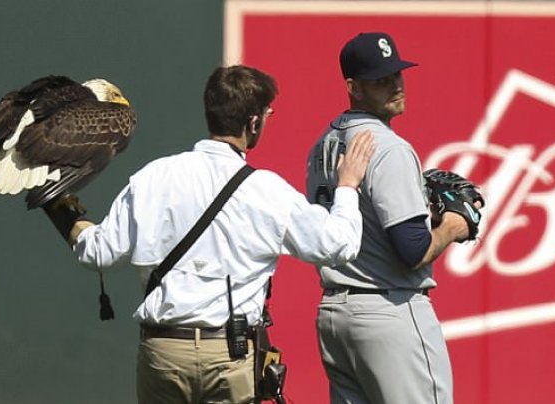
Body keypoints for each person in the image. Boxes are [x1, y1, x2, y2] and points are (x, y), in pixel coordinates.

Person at [48, 64, 375, 404]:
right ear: (253, 122)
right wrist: (348, 186)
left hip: (163, 353)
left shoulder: (153, 177)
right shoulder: (266, 190)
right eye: (267, 113)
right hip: (229, 356)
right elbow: (340, 244)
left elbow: (96, 252)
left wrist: (55, 202)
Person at [306, 32, 478, 404]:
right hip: (389, 311)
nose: (394, 85)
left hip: (336, 315)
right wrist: (452, 224)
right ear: (353, 87)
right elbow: (413, 250)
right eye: (379, 80)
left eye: (396, 74)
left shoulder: (324, 142)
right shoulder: (389, 148)